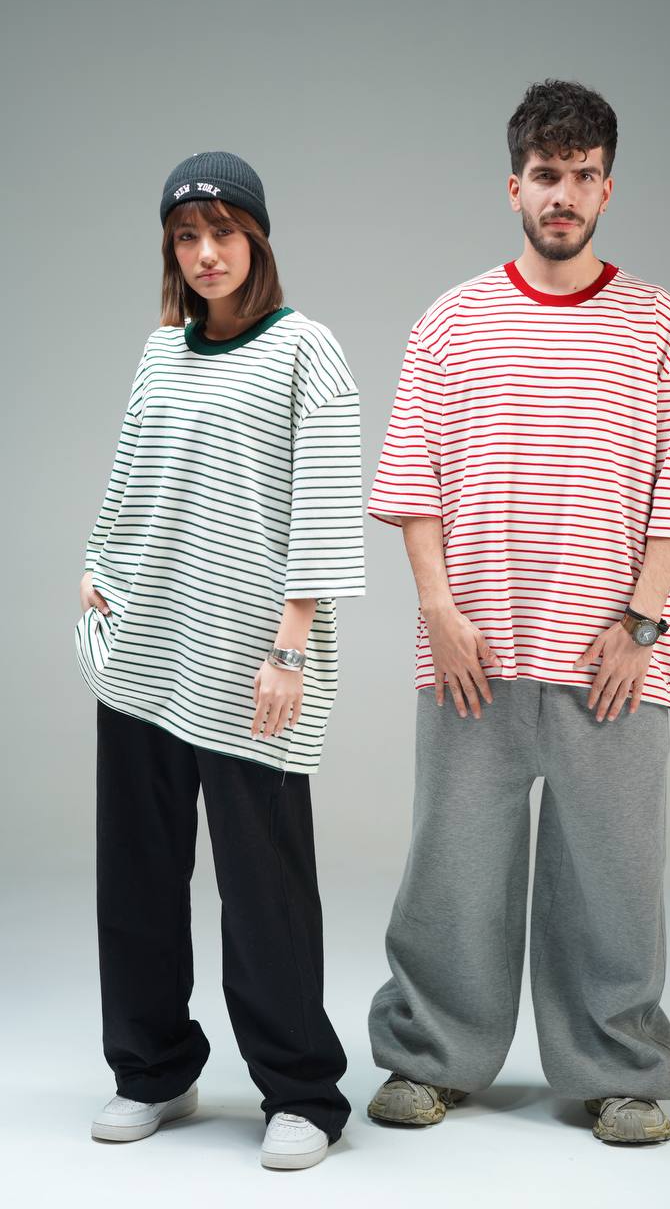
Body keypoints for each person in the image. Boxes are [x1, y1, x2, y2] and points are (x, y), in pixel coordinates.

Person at [365, 81, 670, 1144]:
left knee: (614, 879)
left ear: (607, 188)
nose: (561, 194)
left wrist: (641, 625)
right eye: (543, 175)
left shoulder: (663, 326)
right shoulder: (449, 322)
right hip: (470, 651)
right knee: (450, 871)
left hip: (613, 656)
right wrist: (437, 610)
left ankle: (617, 1071)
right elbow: (412, 482)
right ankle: (430, 1056)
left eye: (581, 175)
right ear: (512, 186)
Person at [75, 151, 365, 1169]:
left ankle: (301, 1091)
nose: (206, 253)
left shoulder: (306, 349)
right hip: (147, 647)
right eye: (186, 238)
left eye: (223, 233)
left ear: (257, 240)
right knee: (138, 877)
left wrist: (290, 647)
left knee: (264, 888)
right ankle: (152, 1068)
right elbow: (132, 473)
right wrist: (97, 565)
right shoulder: (162, 352)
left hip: (250, 663)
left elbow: (324, 507)